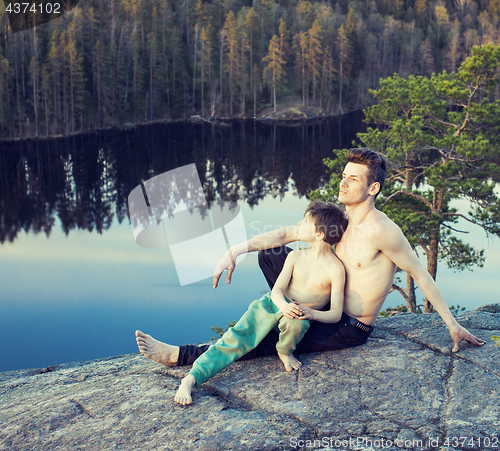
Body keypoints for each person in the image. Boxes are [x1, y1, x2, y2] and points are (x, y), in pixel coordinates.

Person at [136, 148, 485, 403]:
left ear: (373, 189)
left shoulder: (383, 231)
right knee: (271, 254)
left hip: (345, 325)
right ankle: (282, 311)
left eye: (353, 179)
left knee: (265, 341)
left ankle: (181, 356)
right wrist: (235, 249)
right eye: (344, 175)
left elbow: (421, 274)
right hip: (314, 303)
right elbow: (285, 234)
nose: (343, 182)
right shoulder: (337, 221)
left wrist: (452, 325)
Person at [170, 200, 348, 404]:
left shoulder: (335, 269)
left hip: (299, 315)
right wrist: (282, 305)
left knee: (296, 323)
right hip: (273, 306)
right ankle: (191, 379)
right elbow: (277, 291)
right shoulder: (296, 257)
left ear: (320, 234)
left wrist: (311, 313)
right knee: (235, 339)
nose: (299, 224)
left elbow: (336, 313)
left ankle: (284, 351)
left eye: (306, 221)